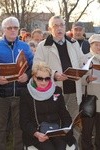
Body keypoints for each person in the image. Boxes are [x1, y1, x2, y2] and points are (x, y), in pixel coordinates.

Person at [33, 16, 85, 148]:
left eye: (61, 25)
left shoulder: (73, 44)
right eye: (55, 25)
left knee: (74, 123)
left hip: (74, 91)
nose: (59, 28)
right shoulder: (43, 46)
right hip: (54, 92)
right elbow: (36, 68)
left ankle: (73, 147)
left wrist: (85, 74)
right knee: (56, 123)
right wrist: (54, 74)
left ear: (65, 27)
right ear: (50, 29)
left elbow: (81, 63)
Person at [0, 16, 33, 150]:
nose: (13, 30)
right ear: (3, 30)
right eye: (9, 28)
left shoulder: (25, 46)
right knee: (0, 128)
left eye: (15, 27)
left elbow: (33, 66)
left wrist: (28, 75)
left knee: (19, 127)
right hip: (1, 94)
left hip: (20, 94)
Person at [20, 61, 76, 150]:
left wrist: (65, 130)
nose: (44, 82)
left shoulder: (56, 90)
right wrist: (36, 134)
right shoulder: (26, 93)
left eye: (47, 78)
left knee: (61, 147)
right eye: (40, 78)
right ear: (33, 77)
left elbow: (65, 115)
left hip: (56, 131)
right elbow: (24, 121)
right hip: (37, 133)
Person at [81, 34, 100, 150]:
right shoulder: (84, 58)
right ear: (91, 45)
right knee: (87, 131)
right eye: (96, 44)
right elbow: (79, 79)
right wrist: (87, 79)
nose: (99, 47)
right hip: (90, 100)